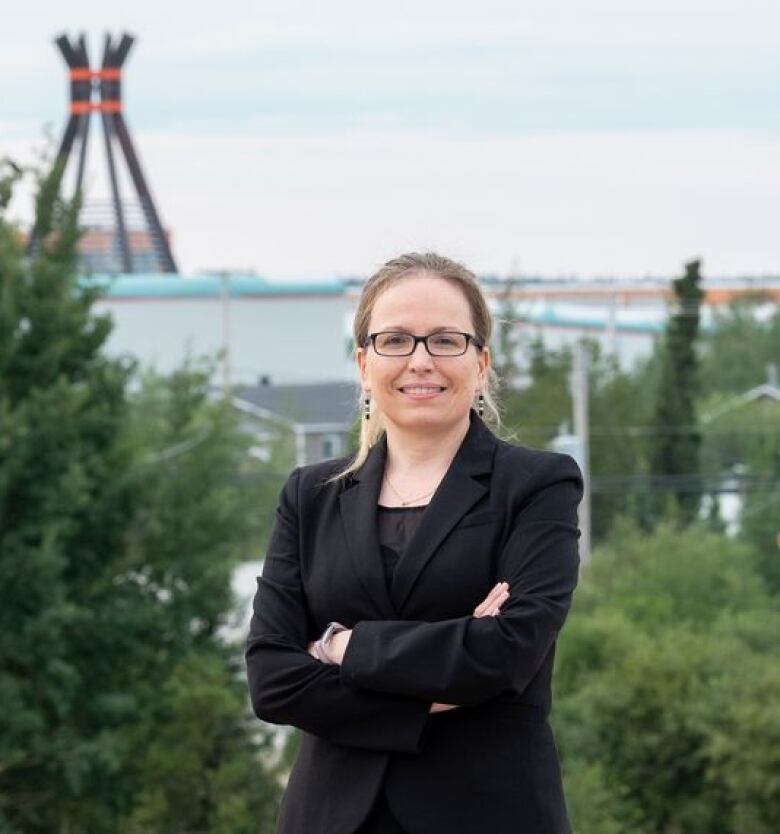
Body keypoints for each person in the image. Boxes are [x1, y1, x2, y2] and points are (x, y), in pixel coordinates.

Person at [245, 252, 584, 834]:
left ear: (480, 364)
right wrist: (448, 666)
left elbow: (507, 652)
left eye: (446, 341)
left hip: (489, 814)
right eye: (395, 340)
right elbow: (273, 680)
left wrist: (342, 648)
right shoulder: (311, 496)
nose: (421, 360)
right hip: (330, 817)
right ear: (363, 363)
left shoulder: (536, 485)